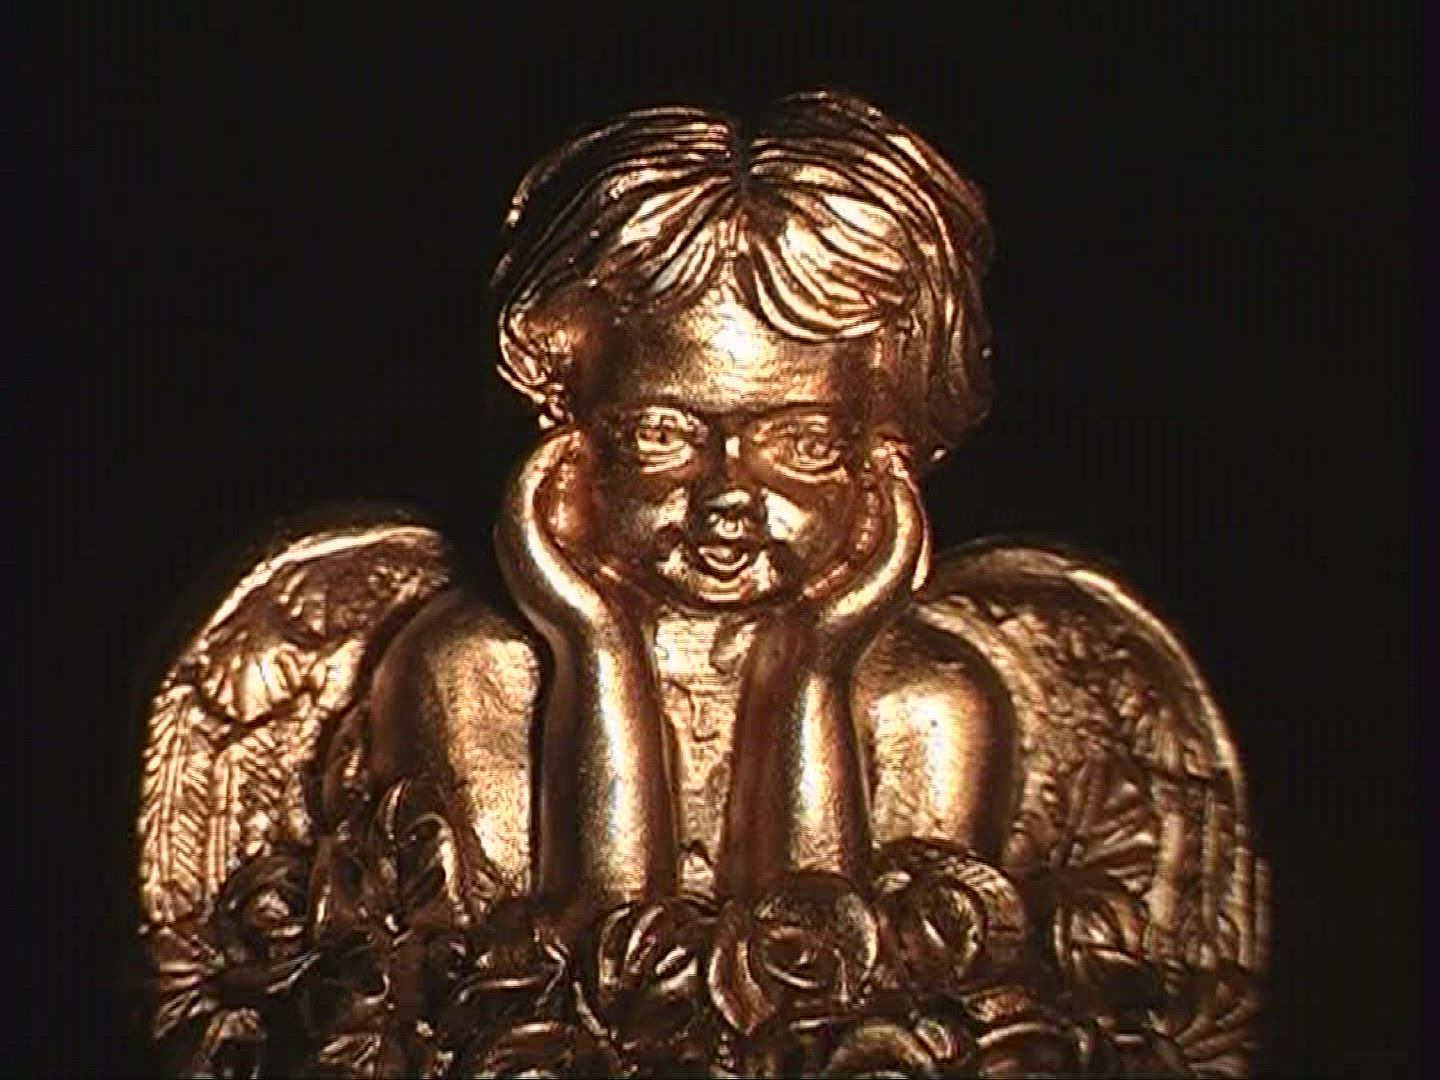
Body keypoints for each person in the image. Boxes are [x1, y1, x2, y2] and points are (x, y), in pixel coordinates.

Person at [367, 91, 1017, 929]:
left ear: (885, 456)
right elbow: (573, 974)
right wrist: (594, 649)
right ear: (567, 435)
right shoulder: (471, 672)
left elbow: (845, 980)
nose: (728, 496)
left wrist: (813, 671)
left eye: (804, 442)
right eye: (662, 434)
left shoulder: (930, 706)